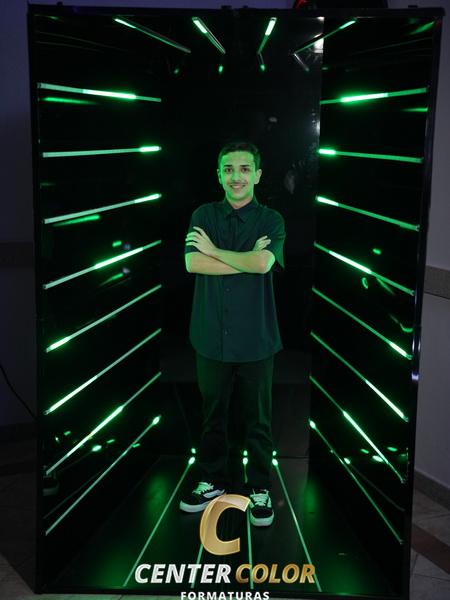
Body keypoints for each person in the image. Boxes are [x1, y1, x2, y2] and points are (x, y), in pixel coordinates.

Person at [179, 141, 285, 526]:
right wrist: (245, 261)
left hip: (256, 338)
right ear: (219, 175)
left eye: (243, 169)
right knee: (212, 416)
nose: (235, 176)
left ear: (257, 175)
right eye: (228, 169)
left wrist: (215, 251)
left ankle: (259, 486)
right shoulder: (203, 214)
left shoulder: (271, 220)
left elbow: (264, 263)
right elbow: (193, 264)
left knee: (259, 420)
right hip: (210, 336)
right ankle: (212, 479)